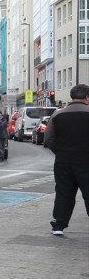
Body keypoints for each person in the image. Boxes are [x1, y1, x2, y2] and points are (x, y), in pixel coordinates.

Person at [43, 84, 89, 235]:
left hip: (63, 161)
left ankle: (59, 226)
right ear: (87, 97)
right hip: (85, 161)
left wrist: (60, 151)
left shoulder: (58, 114)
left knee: (64, 192)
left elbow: (49, 138)